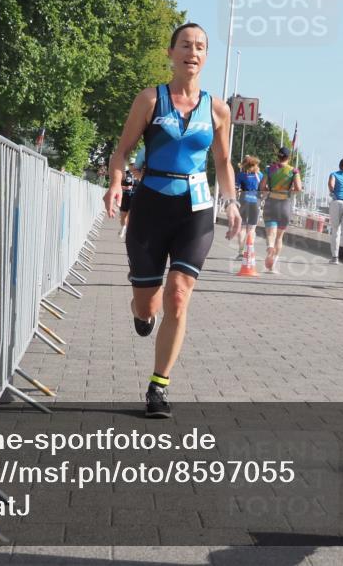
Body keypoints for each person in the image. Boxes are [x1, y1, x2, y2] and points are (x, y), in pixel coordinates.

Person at [105, 22, 242, 419]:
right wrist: (115, 185)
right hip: (151, 207)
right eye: (185, 45)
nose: (192, 52)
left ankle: (158, 386)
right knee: (147, 304)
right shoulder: (151, 99)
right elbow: (122, 151)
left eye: (199, 46)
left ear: (206, 56)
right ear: (171, 52)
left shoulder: (218, 109)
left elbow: (222, 161)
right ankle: (141, 312)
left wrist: (231, 203)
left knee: (178, 295)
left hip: (195, 210)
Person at [259, 146, 302, 273]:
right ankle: (273, 264)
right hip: (284, 205)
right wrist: (289, 190)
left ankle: (270, 248)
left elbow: (262, 186)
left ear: (278, 156)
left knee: (270, 234)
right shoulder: (294, 171)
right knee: (279, 237)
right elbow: (298, 188)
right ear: (289, 157)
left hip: (271, 203)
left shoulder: (269, 169)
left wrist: (269, 189)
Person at [235, 155, 264, 258]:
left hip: (244, 200)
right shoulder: (260, 175)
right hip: (256, 201)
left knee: (242, 228)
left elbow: (236, 188)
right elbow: (264, 189)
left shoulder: (241, 175)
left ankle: (240, 252)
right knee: (252, 229)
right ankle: (249, 251)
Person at [118, 160, 139, 239]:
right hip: (125, 196)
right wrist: (125, 187)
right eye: (131, 164)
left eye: (134, 164)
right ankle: (123, 227)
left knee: (130, 215)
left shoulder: (139, 174)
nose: (133, 166)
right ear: (129, 165)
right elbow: (118, 185)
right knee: (123, 215)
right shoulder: (125, 173)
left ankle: (128, 233)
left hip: (135, 197)